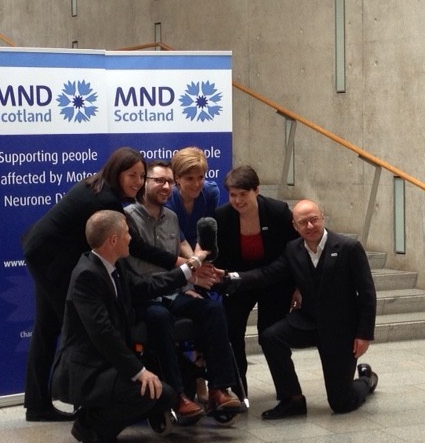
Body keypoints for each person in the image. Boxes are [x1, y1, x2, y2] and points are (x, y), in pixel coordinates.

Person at [20, 147, 184, 422]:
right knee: (78, 331)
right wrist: (178, 262)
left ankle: (38, 404)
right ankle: (83, 403)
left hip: (44, 254)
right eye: (132, 175)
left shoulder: (99, 187)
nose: (138, 182)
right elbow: (135, 245)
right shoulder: (104, 199)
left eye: (142, 176)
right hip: (52, 262)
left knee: (47, 330)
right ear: (116, 172)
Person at [50, 210, 210, 442]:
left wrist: (190, 268)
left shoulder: (115, 265)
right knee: (153, 392)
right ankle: (92, 429)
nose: (131, 238)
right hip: (86, 370)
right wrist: (138, 371)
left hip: (107, 363)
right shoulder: (87, 275)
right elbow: (102, 333)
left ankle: (92, 423)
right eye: (127, 233)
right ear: (113, 240)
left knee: (163, 393)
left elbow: (147, 285)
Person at [221, 199, 378, 419]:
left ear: (322, 217)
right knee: (271, 337)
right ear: (295, 227)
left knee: (341, 402)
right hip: (307, 321)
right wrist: (233, 278)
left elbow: (367, 293)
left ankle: (366, 379)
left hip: (340, 329)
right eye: (303, 222)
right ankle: (292, 399)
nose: (310, 226)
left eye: (314, 220)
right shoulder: (293, 249)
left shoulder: (348, 247)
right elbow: (268, 274)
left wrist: (363, 334)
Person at [125, 160, 240, 418]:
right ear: (144, 183)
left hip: (174, 291)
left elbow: (180, 255)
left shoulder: (172, 218)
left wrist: (189, 283)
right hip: (144, 297)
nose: (165, 186)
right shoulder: (127, 218)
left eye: (168, 182)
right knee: (159, 317)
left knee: (211, 308)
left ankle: (219, 389)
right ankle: (177, 395)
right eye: (158, 181)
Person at [213, 165, 298, 396]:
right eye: (233, 195)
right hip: (238, 282)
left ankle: (287, 392)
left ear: (256, 191)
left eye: (243, 194)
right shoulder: (222, 216)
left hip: (275, 281)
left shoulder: (278, 211)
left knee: (269, 334)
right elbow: (221, 257)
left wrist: (298, 287)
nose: (238, 200)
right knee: (232, 331)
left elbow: (294, 251)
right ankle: (238, 391)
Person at [165, 146, 219, 253]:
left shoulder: (210, 193)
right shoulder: (167, 199)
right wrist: (195, 264)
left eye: (200, 177)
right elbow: (180, 241)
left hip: (203, 252)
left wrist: (202, 260)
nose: (196, 184)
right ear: (177, 178)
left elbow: (207, 234)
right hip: (175, 254)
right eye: (189, 178)